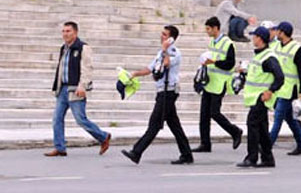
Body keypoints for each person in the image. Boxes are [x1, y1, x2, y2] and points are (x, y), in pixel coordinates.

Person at [121, 25, 194, 164]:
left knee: (154, 123)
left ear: (172, 38)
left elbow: (166, 64)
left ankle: (137, 152)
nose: (162, 36)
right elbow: (150, 69)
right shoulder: (160, 53)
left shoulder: (174, 52)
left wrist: (165, 49)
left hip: (169, 91)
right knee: (174, 125)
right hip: (162, 91)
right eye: (162, 34)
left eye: (165, 35)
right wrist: (134, 74)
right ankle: (187, 154)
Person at [45, 22, 111, 157]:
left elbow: (87, 68)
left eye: (68, 31)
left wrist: (83, 85)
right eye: (63, 31)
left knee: (80, 119)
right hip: (62, 89)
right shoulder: (63, 48)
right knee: (57, 118)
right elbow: (61, 69)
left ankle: (103, 137)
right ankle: (60, 147)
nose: (65, 34)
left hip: (75, 89)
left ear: (75, 33)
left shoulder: (83, 48)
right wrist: (56, 87)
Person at [193, 17, 243, 153]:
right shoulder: (212, 42)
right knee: (204, 115)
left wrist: (214, 62)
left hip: (220, 83)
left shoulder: (228, 43)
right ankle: (205, 143)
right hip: (210, 82)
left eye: (209, 29)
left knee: (214, 113)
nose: (207, 31)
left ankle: (235, 131)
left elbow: (230, 64)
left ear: (216, 28)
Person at [237, 26, 284, 168]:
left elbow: (280, 77)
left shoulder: (269, 57)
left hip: (261, 98)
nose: (253, 39)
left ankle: (252, 158)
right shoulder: (259, 55)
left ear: (260, 39)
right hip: (255, 97)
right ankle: (267, 158)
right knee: (262, 129)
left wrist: (270, 91)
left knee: (252, 125)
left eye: (255, 36)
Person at [269, 21, 301, 155]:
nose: (276, 33)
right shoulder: (277, 46)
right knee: (290, 119)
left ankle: (267, 145)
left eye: (278, 31)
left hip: (290, 88)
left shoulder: (296, 48)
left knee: (278, 116)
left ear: (283, 33)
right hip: (280, 87)